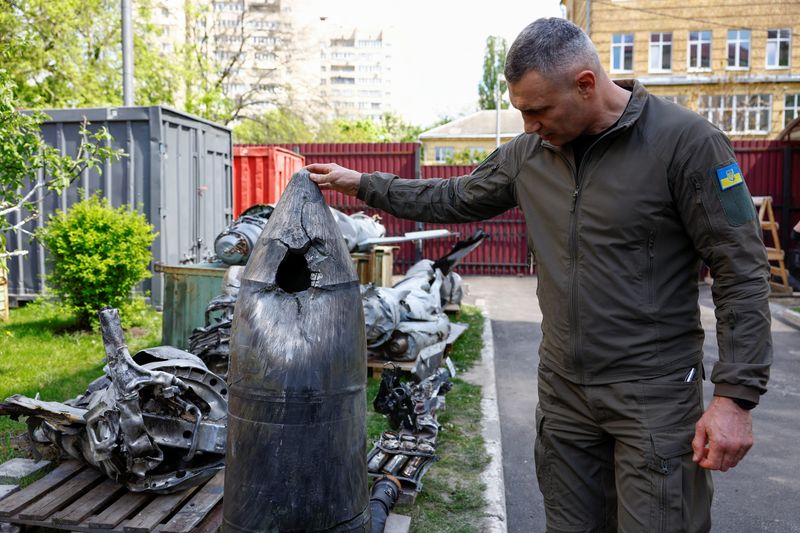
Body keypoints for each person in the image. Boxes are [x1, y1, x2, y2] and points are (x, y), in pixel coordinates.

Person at [306, 17, 772, 533]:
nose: (529, 125)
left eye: (538, 110)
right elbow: (453, 196)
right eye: (521, 111)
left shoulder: (687, 143)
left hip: (653, 398)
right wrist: (362, 183)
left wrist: (734, 397)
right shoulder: (530, 155)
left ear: (586, 84)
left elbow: (740, 271)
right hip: (564, 396)